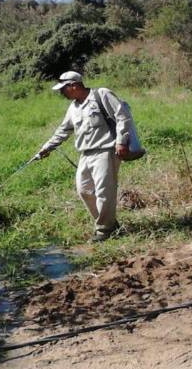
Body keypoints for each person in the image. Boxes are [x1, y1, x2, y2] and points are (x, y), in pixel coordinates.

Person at [37, 71, 132, 242]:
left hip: (106, 150)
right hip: (85, 154)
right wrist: (47, 148)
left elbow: (122, 116)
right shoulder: (73, 107)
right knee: (84, 190)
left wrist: (121, 141)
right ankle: (109, 223)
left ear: (73, 85)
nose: (62, 93)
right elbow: (63, 130)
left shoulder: (101, 94)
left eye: (63, 89)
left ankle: (105, 230)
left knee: (104, 191)